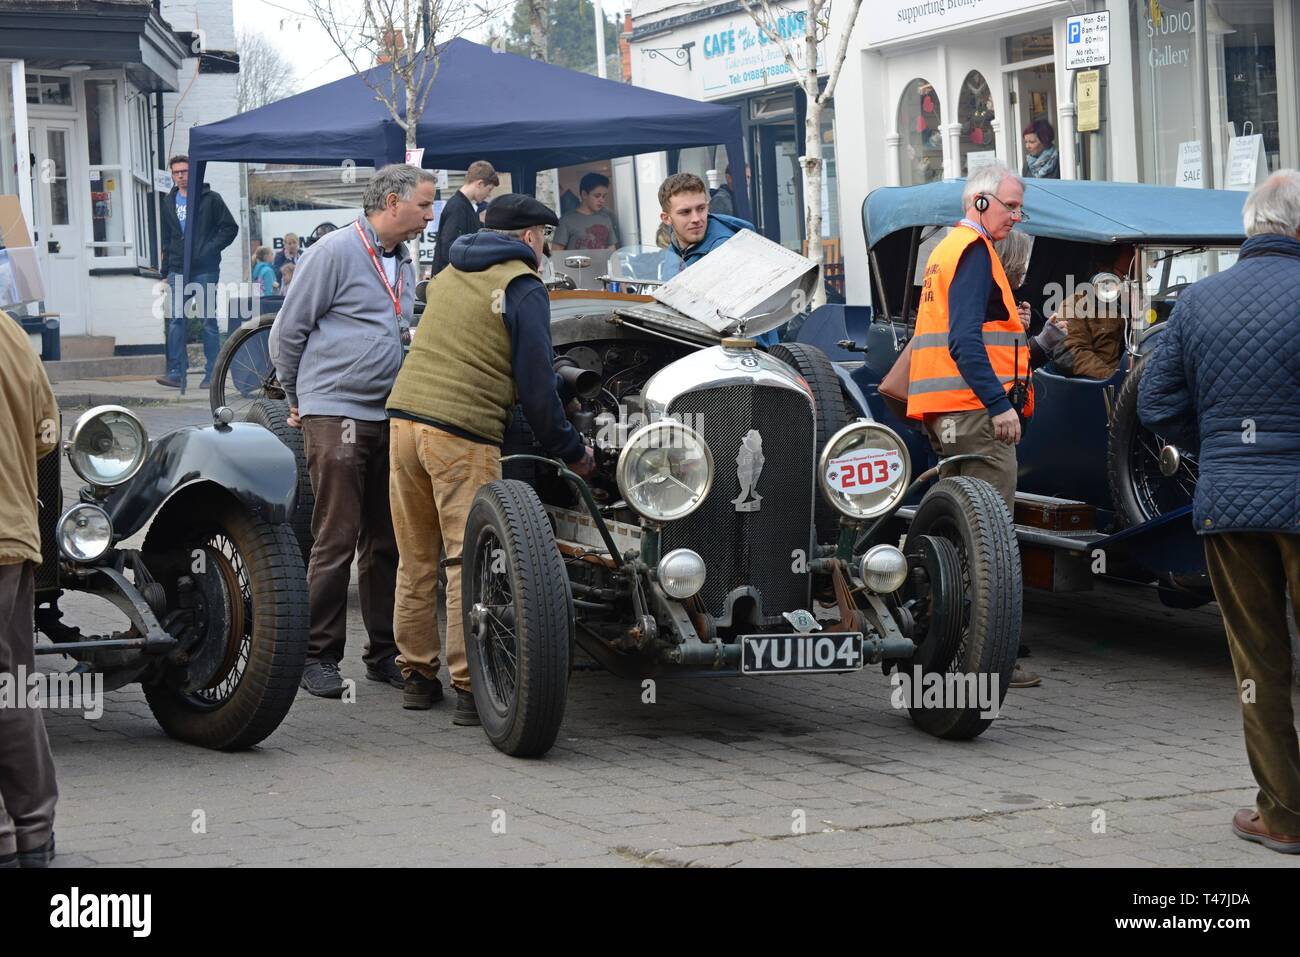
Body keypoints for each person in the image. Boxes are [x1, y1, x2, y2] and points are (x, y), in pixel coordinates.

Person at [386, 194, 596, 725]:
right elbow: (536, 390)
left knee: (415, 558)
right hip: (461, 431)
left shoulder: (453, 271)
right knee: (466, 562)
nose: (546, 247)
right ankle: (466, 686)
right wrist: (573, 450)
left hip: (405, 419)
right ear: (529, 237)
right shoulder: (522, 287)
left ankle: (415, 677)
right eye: (544, 237)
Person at [1139, 170, 1300, 855]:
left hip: (1231, 501)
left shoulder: (1198, 302)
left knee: (1258, 662)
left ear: (1250, 225)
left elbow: (1154, 403)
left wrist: (1225, 450)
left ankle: (1284, 816)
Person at [270, 163, 436, 698]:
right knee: (336, 535)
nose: (430, 216)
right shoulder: (334, 252)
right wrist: (300, 399)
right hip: (335, 411)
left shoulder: (405, 260)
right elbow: (286, 331)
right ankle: (317, 656)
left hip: (389, 412)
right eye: (424, 205)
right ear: (392, 202)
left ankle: (383, 653)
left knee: (387, 539)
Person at [905, 164, 1037, 687]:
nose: (1016, 216)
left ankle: (948, 650)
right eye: (1010, 206)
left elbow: (966, 330)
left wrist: (1014, 326)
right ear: (980, 203)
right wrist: (1000, 405)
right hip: (975, 415)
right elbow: (963, 341)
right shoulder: (975, 251)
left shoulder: (947, 249)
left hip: (951, 412)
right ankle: (983, 663)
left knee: (963, 536)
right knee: (990, 542)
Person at [0, 308, 60, 868]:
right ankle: (33, 830)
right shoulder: (12, 333)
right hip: (15, 534)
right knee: (14, 686)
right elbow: (47, 435)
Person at [156, 154, 238, 390]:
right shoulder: (168, 202)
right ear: (172, 175)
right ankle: (175, 372)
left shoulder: (211, 199)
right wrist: (165, 271)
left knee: (207, 321)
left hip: (205, 268)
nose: (180, 176)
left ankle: (213, 373)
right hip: (177, 269)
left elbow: (229, 228)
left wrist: (207, 249)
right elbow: (167, 238)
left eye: (184, 171)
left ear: (193, 173)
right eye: (176, 172)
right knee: (175, 320)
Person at [1056, 245, 1136, 379]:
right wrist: (1117, 380)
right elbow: (1072, 352)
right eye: (1125, 276)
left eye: (1138, 276)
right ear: (1103, 273)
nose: (1131, 283)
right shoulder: (1076, 304)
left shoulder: (1147, 304)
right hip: (1102, 388)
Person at [432, 160, 498, 275]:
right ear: (480, 184)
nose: (489, 195)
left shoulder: (465, 206)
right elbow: (449, 248)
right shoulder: (458, 207)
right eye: (489, 189)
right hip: (452, 281)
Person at [553, 172, 619, 254]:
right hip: (576, 266)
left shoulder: (606, 218)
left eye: (604, 196)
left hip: (602, 266)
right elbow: (556, 254)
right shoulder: (566, 220)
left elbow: (612, 251)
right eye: (597, 196)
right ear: (584, 194)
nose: (602, 200)